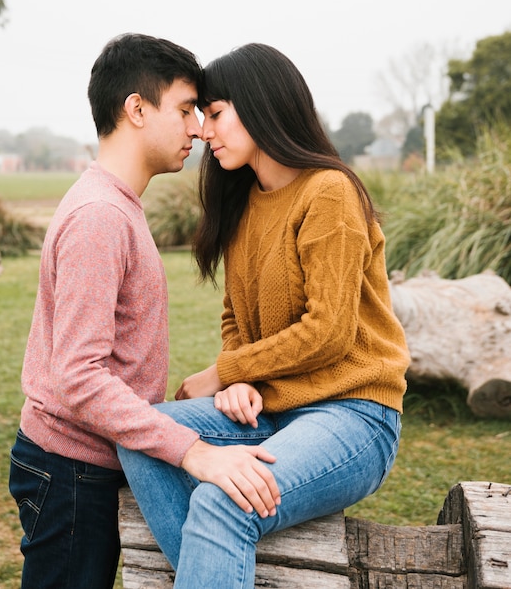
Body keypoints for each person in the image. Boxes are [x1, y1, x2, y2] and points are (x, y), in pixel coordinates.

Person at [117, 42, 411, 588]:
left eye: (216, 113)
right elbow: (235, 316)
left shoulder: (330, 192)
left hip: (353, 414)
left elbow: (329, 332)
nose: (204, 131)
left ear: (260, 106)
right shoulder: (244, 201)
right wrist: (240, 377)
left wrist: (225, 373)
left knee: (221, 502)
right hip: (273, 411)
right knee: (143, 431)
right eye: (201, 116)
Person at [8, 33, 280, 589]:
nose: (198, 129)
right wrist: (193, 453)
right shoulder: (100, 217)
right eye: (184, 110)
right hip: (70, 470)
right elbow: (80, 378)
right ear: (136, 108)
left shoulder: (115, 205)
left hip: (85, 465)